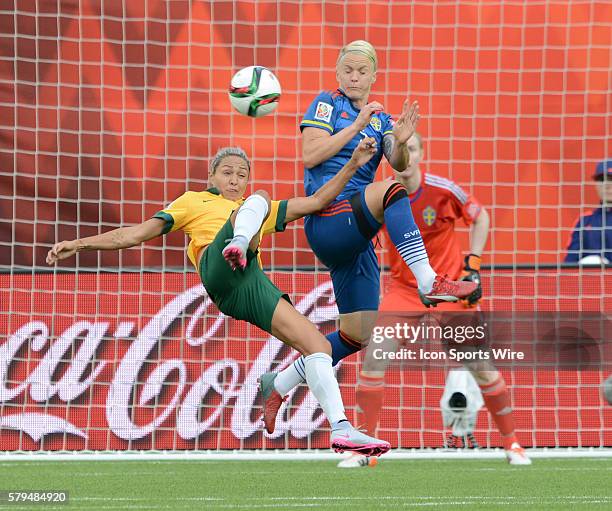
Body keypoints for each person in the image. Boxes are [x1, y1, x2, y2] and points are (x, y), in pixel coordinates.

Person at [46, 139, 392, 457]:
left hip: (250, 283)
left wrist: (353, 163)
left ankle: (335, 425)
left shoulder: (253, 208)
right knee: (258, 200)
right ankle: (236, 244)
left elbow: (317, 202)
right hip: (217, 265)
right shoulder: (193, 201)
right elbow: (134, 234)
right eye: (227, 172)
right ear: (212, 175)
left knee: (320, 348)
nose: (234, 180)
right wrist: (79, 244)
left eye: (241, 174)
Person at [258, 41, 477, 437]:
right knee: (391, 192)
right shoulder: (326, 105)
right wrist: (356, 127)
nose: (354, 77)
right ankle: (428, 278)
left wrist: (404, 143)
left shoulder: (381, 120)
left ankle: (281, 382)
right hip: (327, 217)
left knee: (357, 335)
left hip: (357, 237)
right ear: (338, 74)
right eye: (348, 70)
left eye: (362, 71)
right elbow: (310, 156)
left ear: (374, 76)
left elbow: (399, 163)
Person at [341, 132, 531, 467]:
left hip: (448, 290)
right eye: (400, 150)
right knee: (374, 361)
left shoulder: (444, 190)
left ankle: (512, 443)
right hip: (404, 290)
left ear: (421, 153)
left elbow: (480, 216)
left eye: (411, 149)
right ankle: (365, 451)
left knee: (481, 369)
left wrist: (473, 265)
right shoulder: (380, 194)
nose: (407, 155)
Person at [564, 159, 611, 264]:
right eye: (602, 179)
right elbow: (570, 264)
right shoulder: (584, 221)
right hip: (591, 280)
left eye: (611, 179)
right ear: (596, 185)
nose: (607, 185)